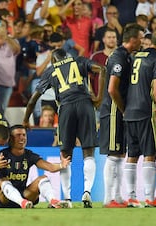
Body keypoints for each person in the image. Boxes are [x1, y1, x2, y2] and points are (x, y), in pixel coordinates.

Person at [23, 48, 106, 208]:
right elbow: (102, 69)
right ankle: (87, 191)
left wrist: (26, 119)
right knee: (88, 152)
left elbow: (34, 98)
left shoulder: (51, 70)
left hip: (66, 108)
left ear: (54, 60)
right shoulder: (80, 60)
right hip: (85, 105)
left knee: (65, 155)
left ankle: (67, 199)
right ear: (67, 57)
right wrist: (99, 97)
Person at [99, 23, 144, 208]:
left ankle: (117, 197)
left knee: (119, 154)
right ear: (133, 39)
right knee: (113, 155)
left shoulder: (125, 56)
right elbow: (112, 89)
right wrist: (123, 109)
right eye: (140, 38)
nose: (142, 41)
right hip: (113, 111)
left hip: (118, 111)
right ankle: (109, 198)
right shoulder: (119, 57)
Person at [123, 30, 156, 208]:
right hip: (146, 111)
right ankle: (150, 197)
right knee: (150, 153)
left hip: (130, 111)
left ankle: (132, 197)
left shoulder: (134, 56)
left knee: (132, 154)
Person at [0, 125, 71, 209]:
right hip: (2, 198)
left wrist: (61, 164)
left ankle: (53, 201)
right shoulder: (2, 154)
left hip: (23, 196)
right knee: (3, 180)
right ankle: (22, 202)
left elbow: (50, 167)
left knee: (43, 178)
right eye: (18, 135)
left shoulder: (29, 155)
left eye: (24, 135)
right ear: (10, 138)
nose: (22, 138)